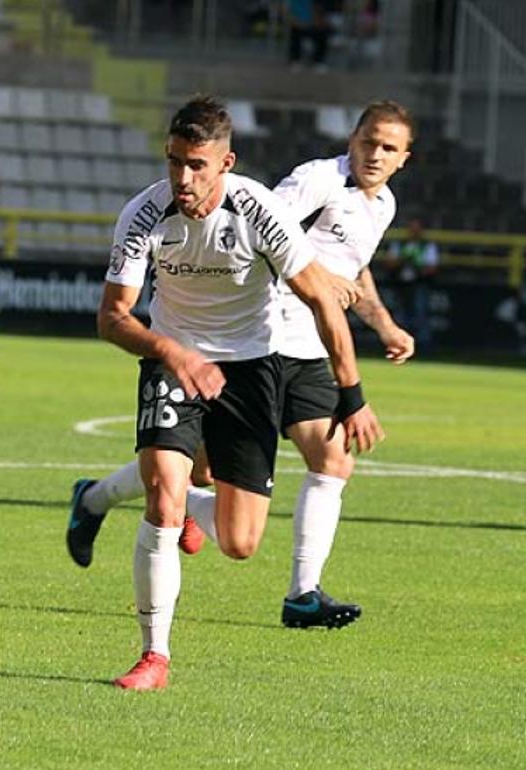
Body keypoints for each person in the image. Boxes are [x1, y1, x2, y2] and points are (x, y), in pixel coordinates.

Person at [68, 101, 415, 634]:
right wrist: (176, 349)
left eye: (388, 148)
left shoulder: (382, 205)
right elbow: (269, 230)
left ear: (404, 158)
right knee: (182, 477)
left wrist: (381, 330)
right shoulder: (316, 181)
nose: (375, 155)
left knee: (280, 495)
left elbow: (352, 271)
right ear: (353, 138)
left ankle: (301, 590)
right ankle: (116, 531)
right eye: (369, 141)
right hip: (241, 341)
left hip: (283, 355)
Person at [385, 217, 440, 353]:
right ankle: (397, 343)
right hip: (400, 284)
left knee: (420, 314)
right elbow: (390, 263)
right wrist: (403, 261)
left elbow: (432, 268)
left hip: (419, 283)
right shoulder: (400, 245)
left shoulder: (427, 246)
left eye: (417, 228)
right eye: (412, 227)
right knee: (399, 315)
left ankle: (423, 346)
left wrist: (415, 265)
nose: (414, 231)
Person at [286, 0, 332, 71]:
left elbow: (318, 12)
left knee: (323, 32)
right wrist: (296, 21)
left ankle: (319, 61)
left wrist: (316, 22)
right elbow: (287, 12)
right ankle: (295, 60)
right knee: (295, 30)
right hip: (298, 24)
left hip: (313, 24)